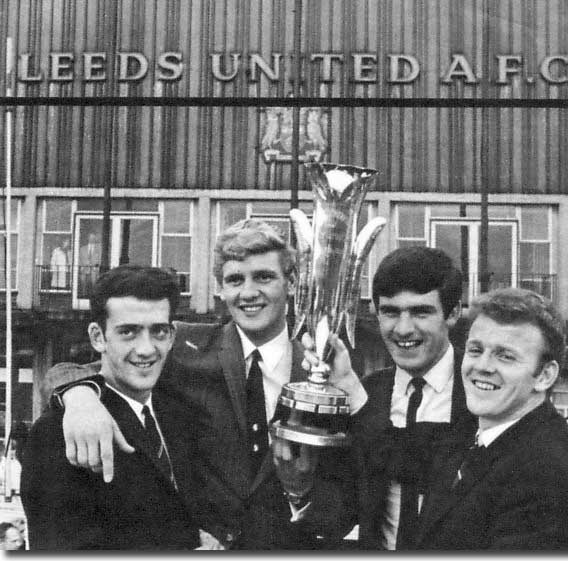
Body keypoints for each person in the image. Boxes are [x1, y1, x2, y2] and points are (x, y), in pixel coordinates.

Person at [44, 219, 357, 549]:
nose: (249, 292)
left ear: (292, 282)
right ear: (220, 288)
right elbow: (75, 369)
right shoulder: (184, 347)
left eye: (264, 277)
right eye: (235, 280)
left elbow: (346, 497)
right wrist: (79, 398)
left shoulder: (321, 371)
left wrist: (300, 494)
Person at [275, 246, 477, 549]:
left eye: (421, 312)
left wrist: (358, 400)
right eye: (391, 312)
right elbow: (337, 516)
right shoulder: (369, 393)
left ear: (453, 313)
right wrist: (299, 490)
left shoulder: (481, 391)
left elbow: (428, 472)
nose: (404, 329)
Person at [21, 266, 222, 550]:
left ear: (173, 335)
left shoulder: (178, 413)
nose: (146, 349)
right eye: (128, 332)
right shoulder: (59, 430)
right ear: (97, 337)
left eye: (159, 331)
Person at [413, 288, 568, 549]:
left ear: (544, 376)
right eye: (475, 350)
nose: (482, 366)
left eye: (505, 356)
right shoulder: (473, 434)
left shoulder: (547, 474)